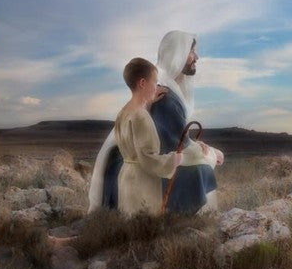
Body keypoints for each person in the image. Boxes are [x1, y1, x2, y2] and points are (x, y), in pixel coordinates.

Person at [87, 30, 224, 214]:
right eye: (191, 51)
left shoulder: (147, 100)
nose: (196, 56)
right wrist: (212, 154)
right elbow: (171, 147)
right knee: (203, 171)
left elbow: (172, 136)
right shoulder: (165, 97)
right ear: (178, 54)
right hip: (146, 173)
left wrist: (195, 146)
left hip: (130, 170)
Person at [113, 57, 182, 215]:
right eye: (155, 82)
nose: (157, 87)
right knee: (143, 223)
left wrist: (148, 102)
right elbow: (149, 159)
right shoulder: (141, 116)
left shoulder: (123, 113)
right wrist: (176, 159)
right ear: (142, 83)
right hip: (141, 182)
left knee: (128, 221)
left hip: (126, 177)